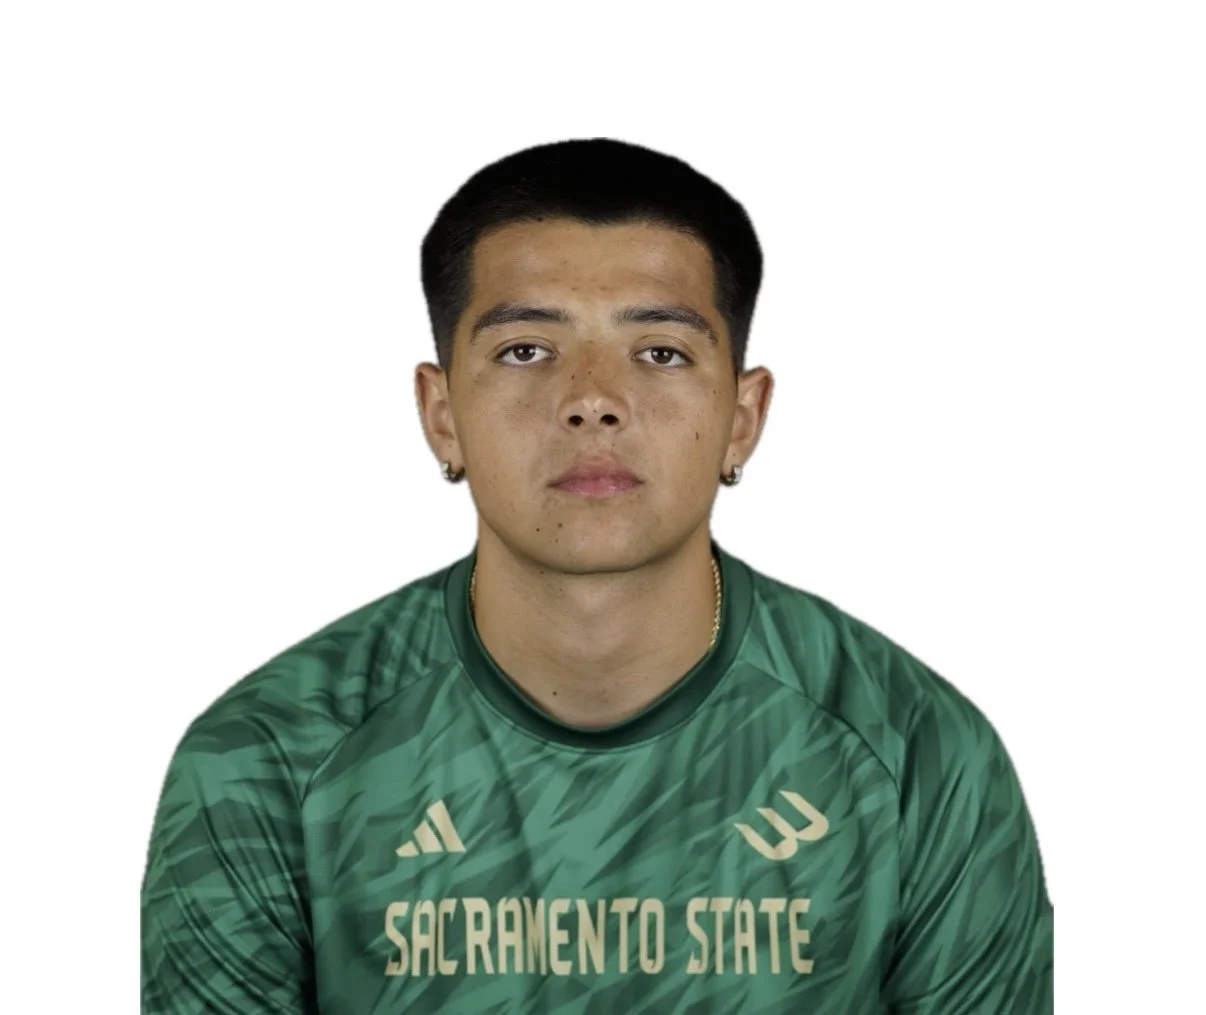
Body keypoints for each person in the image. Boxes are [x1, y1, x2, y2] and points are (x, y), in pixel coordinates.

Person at [140, 137, 1054, 1013]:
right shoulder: (267, 761)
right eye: (525, 350)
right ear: (441, 413)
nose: (591, 400)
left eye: (659, 351)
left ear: (743, 416)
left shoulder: (919, 758)